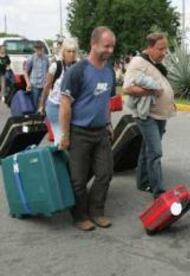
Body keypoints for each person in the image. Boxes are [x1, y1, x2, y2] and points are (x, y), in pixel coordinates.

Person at [59, 26, 116, 231]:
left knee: (105, 173)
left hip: (101, 132)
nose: (110, 50)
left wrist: (108, 123)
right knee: (78, 179)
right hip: (79, 132)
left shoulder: (109, 70)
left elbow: (106, 100)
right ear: (93, 44)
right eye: (106, 46)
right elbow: (65, 104)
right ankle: (80, 216)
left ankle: (97, 212)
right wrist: (64, 135)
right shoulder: (78, 71)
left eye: (112, 46)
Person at [123, 33, 176, 198]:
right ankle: (158, 191)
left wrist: (170, 101)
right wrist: (152, 90)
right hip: (147, 115)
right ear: (150, 47)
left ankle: (143, 182)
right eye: (160, 49)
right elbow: (127, 88)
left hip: (160, 115)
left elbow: (161, 84)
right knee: (155, 152)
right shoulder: (139, 62)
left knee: (147, 148)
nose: (163, 53)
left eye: (165, 49)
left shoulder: (156, 64)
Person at [38, 38, 78, 145]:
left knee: (71, 138)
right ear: (63, 52)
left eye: (73, 51)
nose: (71, 54)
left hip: (71, 107)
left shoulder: (78, 67)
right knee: (60, 138)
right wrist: (41, 105)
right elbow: (47, 86)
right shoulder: (56, 66)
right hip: (55, 106)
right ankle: (59, 158)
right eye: (68, 51)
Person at [23, 41, 49, 109]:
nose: (39, 50)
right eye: (37, 49)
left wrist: (48, 82)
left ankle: (42, 117)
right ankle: (35, 118)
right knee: (34, 104)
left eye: (41, 48)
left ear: (43, 48)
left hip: (44, 84)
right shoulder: (31, 58)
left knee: (44, 103)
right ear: (35, 49)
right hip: (34, 85)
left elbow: (49, 71)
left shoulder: (46, 58)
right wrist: (28, 83)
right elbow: (25, 71)